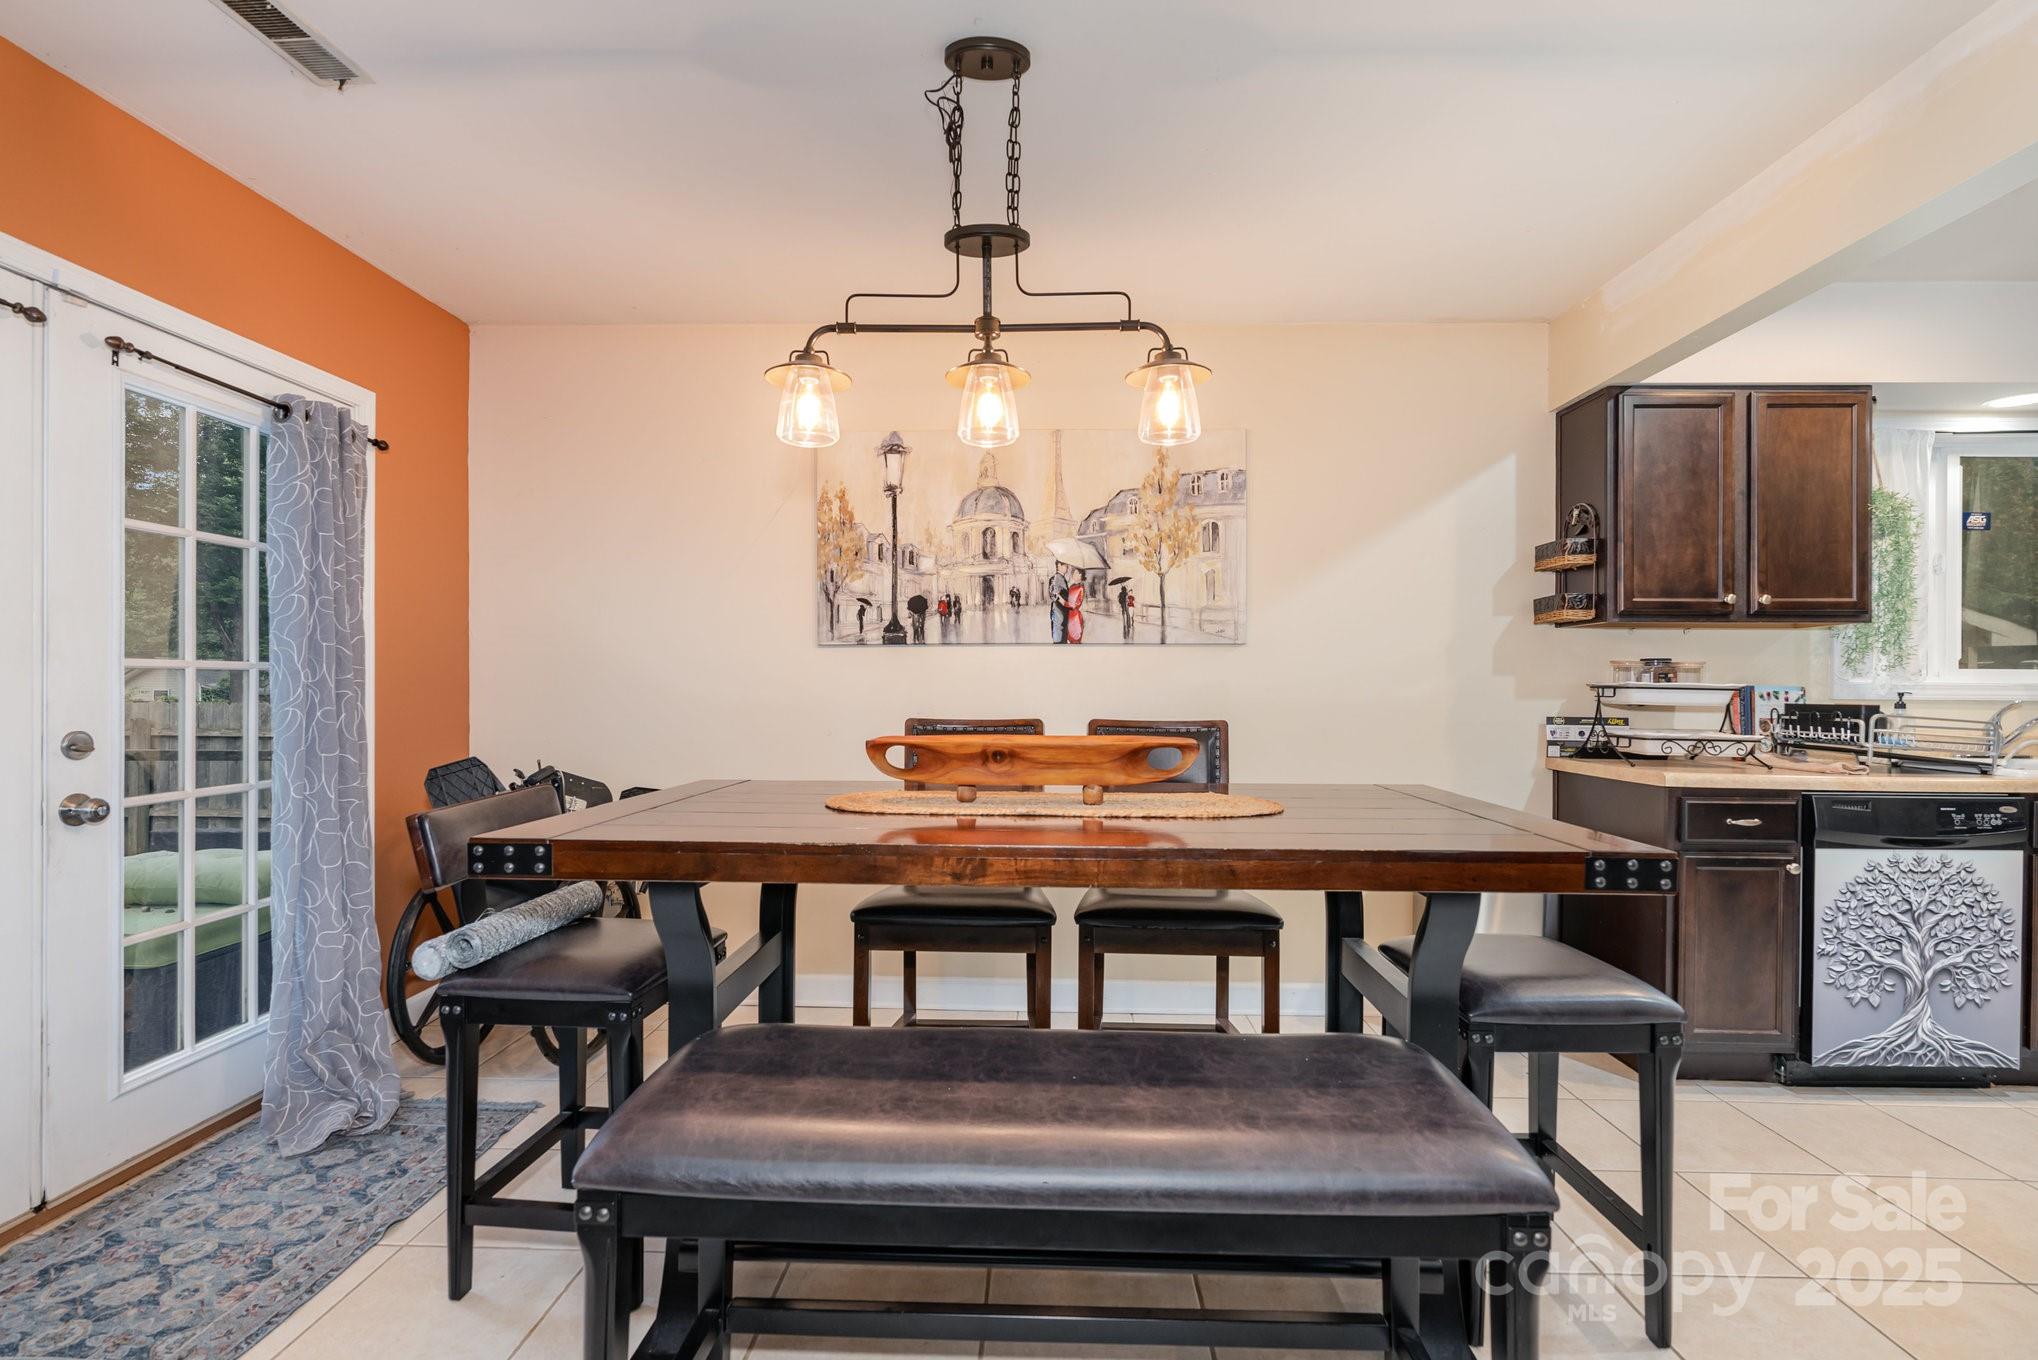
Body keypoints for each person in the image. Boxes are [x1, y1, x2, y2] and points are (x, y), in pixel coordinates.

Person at [1065, 571, 1087, 644]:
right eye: (1073, 572)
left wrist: (1064, 603)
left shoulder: (1080, 587)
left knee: (1075, 640)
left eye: (1075, 572)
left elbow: (1076, 604)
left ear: (1080, 575)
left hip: (1075, 618)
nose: (1073, 574)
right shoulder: (1071, 586)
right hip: (1069, 615)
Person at [1048, 565, 1068, 643]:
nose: (1067, 567)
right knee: (1058, 637)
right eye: (1065, 565)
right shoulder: (1055, 578)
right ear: (1059, 566)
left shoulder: (1063, 578)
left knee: (1063, 634)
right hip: (1058, 609)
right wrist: (1062, 601)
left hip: (1063, 610)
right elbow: (1053, 594)